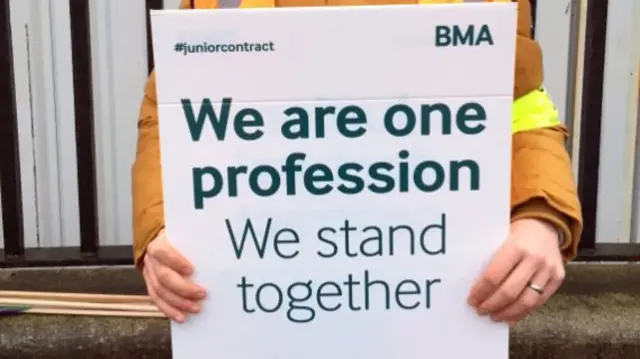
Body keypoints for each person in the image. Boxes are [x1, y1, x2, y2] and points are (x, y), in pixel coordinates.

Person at [131, 0, 583, 325]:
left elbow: (520, 101)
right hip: (263, 286)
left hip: (423, 294)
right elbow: (174, 102)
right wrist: (162, 227)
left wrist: (541, 217)